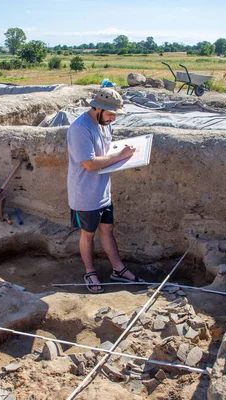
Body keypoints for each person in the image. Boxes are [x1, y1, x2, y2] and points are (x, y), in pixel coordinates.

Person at [67, 88, 145, 293]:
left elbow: (106, 152)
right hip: (85, 194)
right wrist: (121, 156)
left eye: (115, 115)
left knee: (107, 230)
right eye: (111, 114)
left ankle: (118, 269)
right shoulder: (80, 129)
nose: (113, 119)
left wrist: (124, 156)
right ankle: (90, 272)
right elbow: (90, 164)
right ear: (98, 108)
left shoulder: (104, 124)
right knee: (87, 234)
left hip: (102, 192)